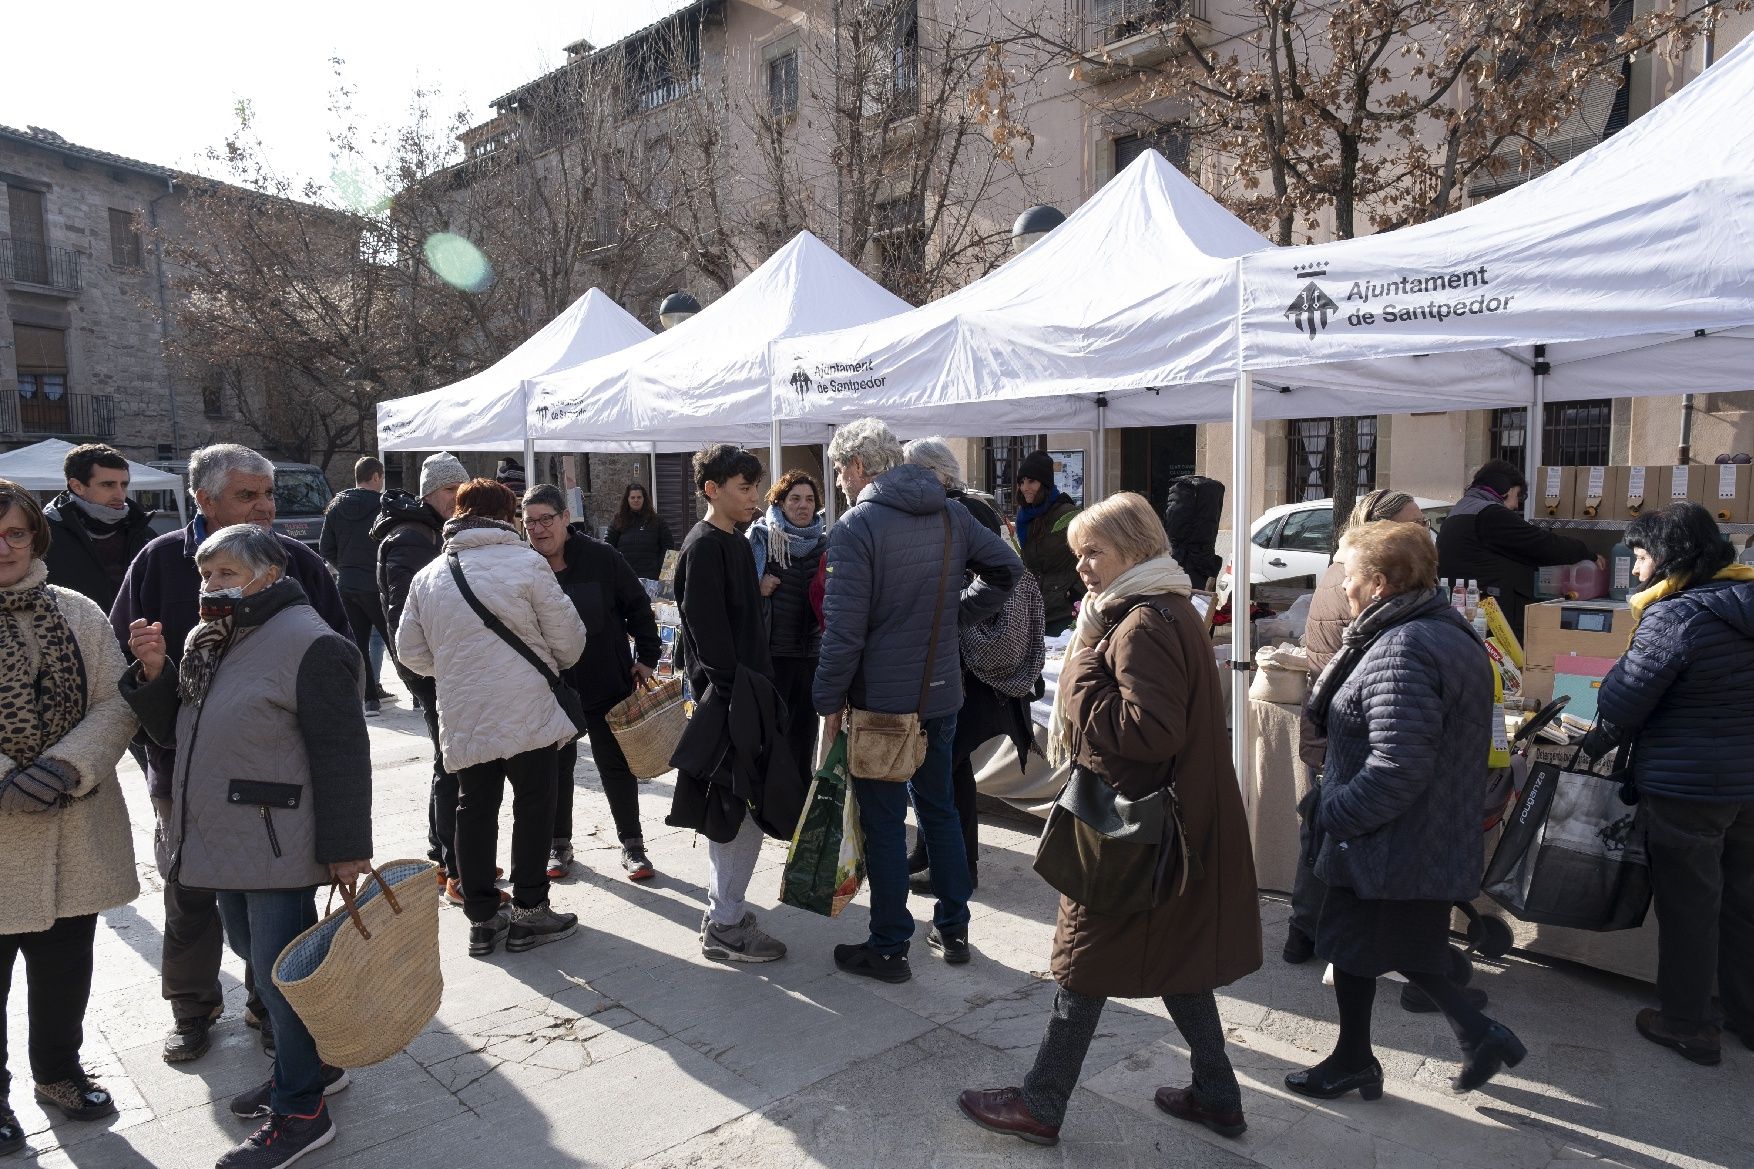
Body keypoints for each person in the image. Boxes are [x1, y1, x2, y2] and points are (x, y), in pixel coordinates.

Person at [958, 492, 1260, 1147]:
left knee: (1083, 959)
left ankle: (1041, 1102)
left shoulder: (1141, 622)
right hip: (1164, 816)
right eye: (1079, 554)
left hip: (1129, 818)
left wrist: (1080, 678)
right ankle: (1217, 1091)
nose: (1085, 566)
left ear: (1136, 547)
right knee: (1175, 955)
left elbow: (1147, 731)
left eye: (1094, 551)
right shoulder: (1168, 605)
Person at [121, 522, 372, 1169]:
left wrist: (347, 849)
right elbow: (176, 730)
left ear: (269, 573)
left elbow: (344, 754)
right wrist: (155, 672)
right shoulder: (215, 638)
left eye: (226, 573)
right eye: (206, 574)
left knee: (277, 975)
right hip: (221, 834)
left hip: (276, 839)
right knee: (252, 955)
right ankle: (309, 1066)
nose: (212, 585)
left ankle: (302, 1111)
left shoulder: (310, 641)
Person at [109, 443, 348, 1066]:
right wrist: (163, 750)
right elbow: (128, 665)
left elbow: (334, 669)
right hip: (183, 775)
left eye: (268, 493)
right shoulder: (162, 561)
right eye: (249, 495)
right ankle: (192, 1009)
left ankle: (277, 1017)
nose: (265, 506)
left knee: (267, 922)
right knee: (191, 900)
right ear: (203, 500)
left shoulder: (293, 562)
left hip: (272, 788)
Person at [1292, 520, 1524, 1101]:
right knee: (1382, 949)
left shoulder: (1407, 645)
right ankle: (1463, 1038)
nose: (1341, 587)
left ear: (1378, 582)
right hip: (1411, 836)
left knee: (1361, 946)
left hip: (1388, 838)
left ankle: (1365, 1059)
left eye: (1347, 576)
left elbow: (1397, 766)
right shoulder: (1427, 629)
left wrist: (1334, 811)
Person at [817, 419, 1021, 983]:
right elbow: (1005, 568)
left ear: (858, 466)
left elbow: (843, 631)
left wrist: (827, 699)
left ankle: (888, 945)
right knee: (939, 809)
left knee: (886, 823)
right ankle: (952, 927)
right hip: (939, 694)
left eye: (838, 468)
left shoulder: (858, 525)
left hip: (883, 701)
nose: (837, 478)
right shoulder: (950, 511)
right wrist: (956, 614)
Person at [1580, 502, 1754, 1067]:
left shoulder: (1674, 616)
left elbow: (1622, 700)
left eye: (1641, 556)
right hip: (1746, 784)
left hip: (1691, 789)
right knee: (1745, 902)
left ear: (1671, 559)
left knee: (1690, 906)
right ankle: (1747, 1016)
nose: (1635, 570)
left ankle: (1686, 1023)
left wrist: (1595, 735)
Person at [0, 481, 139, 1156]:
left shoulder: (77, 611)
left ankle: (57, 1072)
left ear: (35, 537)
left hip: (72, 824)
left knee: (64, 967)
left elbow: (117, 700)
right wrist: (8, 778)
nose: (4, 546)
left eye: (15, 533)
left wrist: (63, 766)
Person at [396, 479, 586, 958]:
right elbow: (569, 642)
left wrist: (459, 668)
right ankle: (529, 910)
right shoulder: (528, 564)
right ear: (508, 516)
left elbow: (410, 653)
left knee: (473, 808)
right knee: (533, 806)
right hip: (527, 706)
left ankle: (481, 918)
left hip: (465, 711)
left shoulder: (429, 575)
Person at [1287, 489, 1426, 966]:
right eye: (1414, 523)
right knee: (1332, 836)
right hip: (1343, 732)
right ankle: (1328, 937)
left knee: (1321, 831)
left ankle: (1303, 931)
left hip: (1330, 725)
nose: (1423, 531)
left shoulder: (1342, 568)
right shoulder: (1359, 577)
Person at [667, 445, 793, 964]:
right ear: (711, 490)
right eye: (744, 487)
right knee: (737, 808)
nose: (754, 497)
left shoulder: (735, 543)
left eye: (755, 487)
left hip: (743, 694)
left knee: (739, 807)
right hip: (731, 700)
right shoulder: (704, 548)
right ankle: (724, 921)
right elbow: (707, 634)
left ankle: (726, 911)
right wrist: (739, 694)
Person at [903, 437, 1037, 895]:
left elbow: (996, 577)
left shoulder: (963, 510)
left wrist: (953, 610)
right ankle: (933, 853)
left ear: (934, 474)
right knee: (942, 765)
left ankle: (959, 866)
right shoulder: (964, 505)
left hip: (968, 659)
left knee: (948, 765)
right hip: (959, 657)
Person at [522, 483, 663, 882]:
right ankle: (558, 844)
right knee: (555, 770)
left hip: (606, 679)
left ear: (566, 517)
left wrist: (647, 658)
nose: (538, 529)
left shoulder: (602, 558)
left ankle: (633, 845)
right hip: (549, 690)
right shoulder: (522, 565)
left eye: (546, 519)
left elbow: (637, 606)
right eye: (529, 522)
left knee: (614, 766)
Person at [373, 453, 470, 903]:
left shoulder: (429, 531)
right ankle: (455, 866)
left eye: (461, 489)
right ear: (430, 492)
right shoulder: (412, 538)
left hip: (441, 667)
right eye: (450, 491)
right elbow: (404, 621)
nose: (458, 498)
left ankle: (444, 853)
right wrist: (430, 675)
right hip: (433, 670)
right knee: (452, 763)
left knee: (447, 760)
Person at [1437, 459, 1599, 640]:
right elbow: (1541, 545)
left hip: (1470, 613)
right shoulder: (1489, 514)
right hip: (1494, 617)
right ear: (1504, 487)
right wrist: (1585, 552)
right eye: (1518, 495)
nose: (1516, 505)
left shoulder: (1460, 510)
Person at [747, 469, 827, 788]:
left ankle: (796, 802)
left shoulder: (825, 543)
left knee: (804, 734)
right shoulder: (762, 537)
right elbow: (736, 590)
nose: (803, 505)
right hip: (773, 655)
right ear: (780, 502)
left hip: (812, 654)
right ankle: (769, 796)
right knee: (773, 731)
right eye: (795, 498)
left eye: (809, 499)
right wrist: (758, 585)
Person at [43, 443, 155, 615]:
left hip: (132, 638)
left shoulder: (143, 532)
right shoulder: (43, 535)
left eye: (123, 485)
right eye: (108, 485)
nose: (120, 494)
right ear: (77, 486)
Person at [320, 456, 392, 715]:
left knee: (358, 643)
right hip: (377, 583)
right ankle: (419, 696)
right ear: (375, 476)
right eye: (381, 477)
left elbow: (325, 547)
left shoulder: (336, 506)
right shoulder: (384, 505)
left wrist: (347, 567)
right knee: (394, 639)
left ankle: (369, 700)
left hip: (347, 584)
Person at [1014, 450, 1080, 637]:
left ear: (1045, 484)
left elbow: (1089, 555)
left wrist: (1074, 593)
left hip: (1063, 614)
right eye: (1022, 482)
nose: (1025, 487)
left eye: (1031, 481)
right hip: (1033, 611)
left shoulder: (1068, 515)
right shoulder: (1025, 517)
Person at [606, 483, 673, 582]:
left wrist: (665, 577)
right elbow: (608, 546)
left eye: (639, 497)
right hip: (625, 578)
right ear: (627, 500)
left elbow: (669, 548)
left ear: (644, 499)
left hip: (652, 579)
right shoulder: (618, 520)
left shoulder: (657, 521)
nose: (636, 500)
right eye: (632, 497)